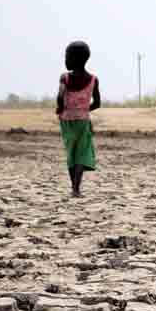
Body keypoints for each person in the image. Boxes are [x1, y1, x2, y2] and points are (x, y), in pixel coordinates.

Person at [56, 41, 100, 197]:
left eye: (67, 56)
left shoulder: (65, 78)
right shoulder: (93, 79)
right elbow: (97, 103)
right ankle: (76, 189)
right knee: (82, 153)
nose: (65, 59)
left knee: (71, 152)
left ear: (75, 58)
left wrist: (61, 108)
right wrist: (84, 109)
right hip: (83, 121)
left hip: (66, 120)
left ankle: (73, 188)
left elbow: (60, 96)